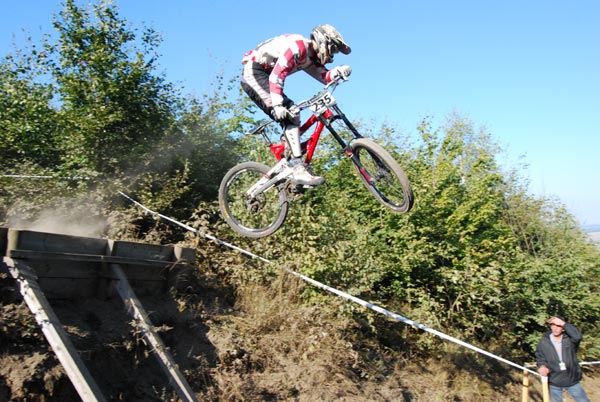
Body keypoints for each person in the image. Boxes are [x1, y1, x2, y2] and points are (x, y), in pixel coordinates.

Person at [240, 24, 352, 186]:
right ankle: (297, 168)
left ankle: (289, 151)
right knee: (290, 111)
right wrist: (278, 106)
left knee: (293, 111)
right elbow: (276, 77)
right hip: (255, 72)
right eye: (333, 50)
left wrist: (339, 70)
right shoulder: (299, 48)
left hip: (266, 74)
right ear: (324, 42)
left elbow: (324, 76)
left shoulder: (310, 57)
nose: (332, 55)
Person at [535, 315, 590, 402]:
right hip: (554, 381)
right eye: (553, 325)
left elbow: (578, 336)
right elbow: (540, 356)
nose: (555, 328)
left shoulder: (569, 340)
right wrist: (542, 366)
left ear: (563, 328)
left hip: (572, 380)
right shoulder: (544, 341)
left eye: (558, 326)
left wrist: (562, 323)